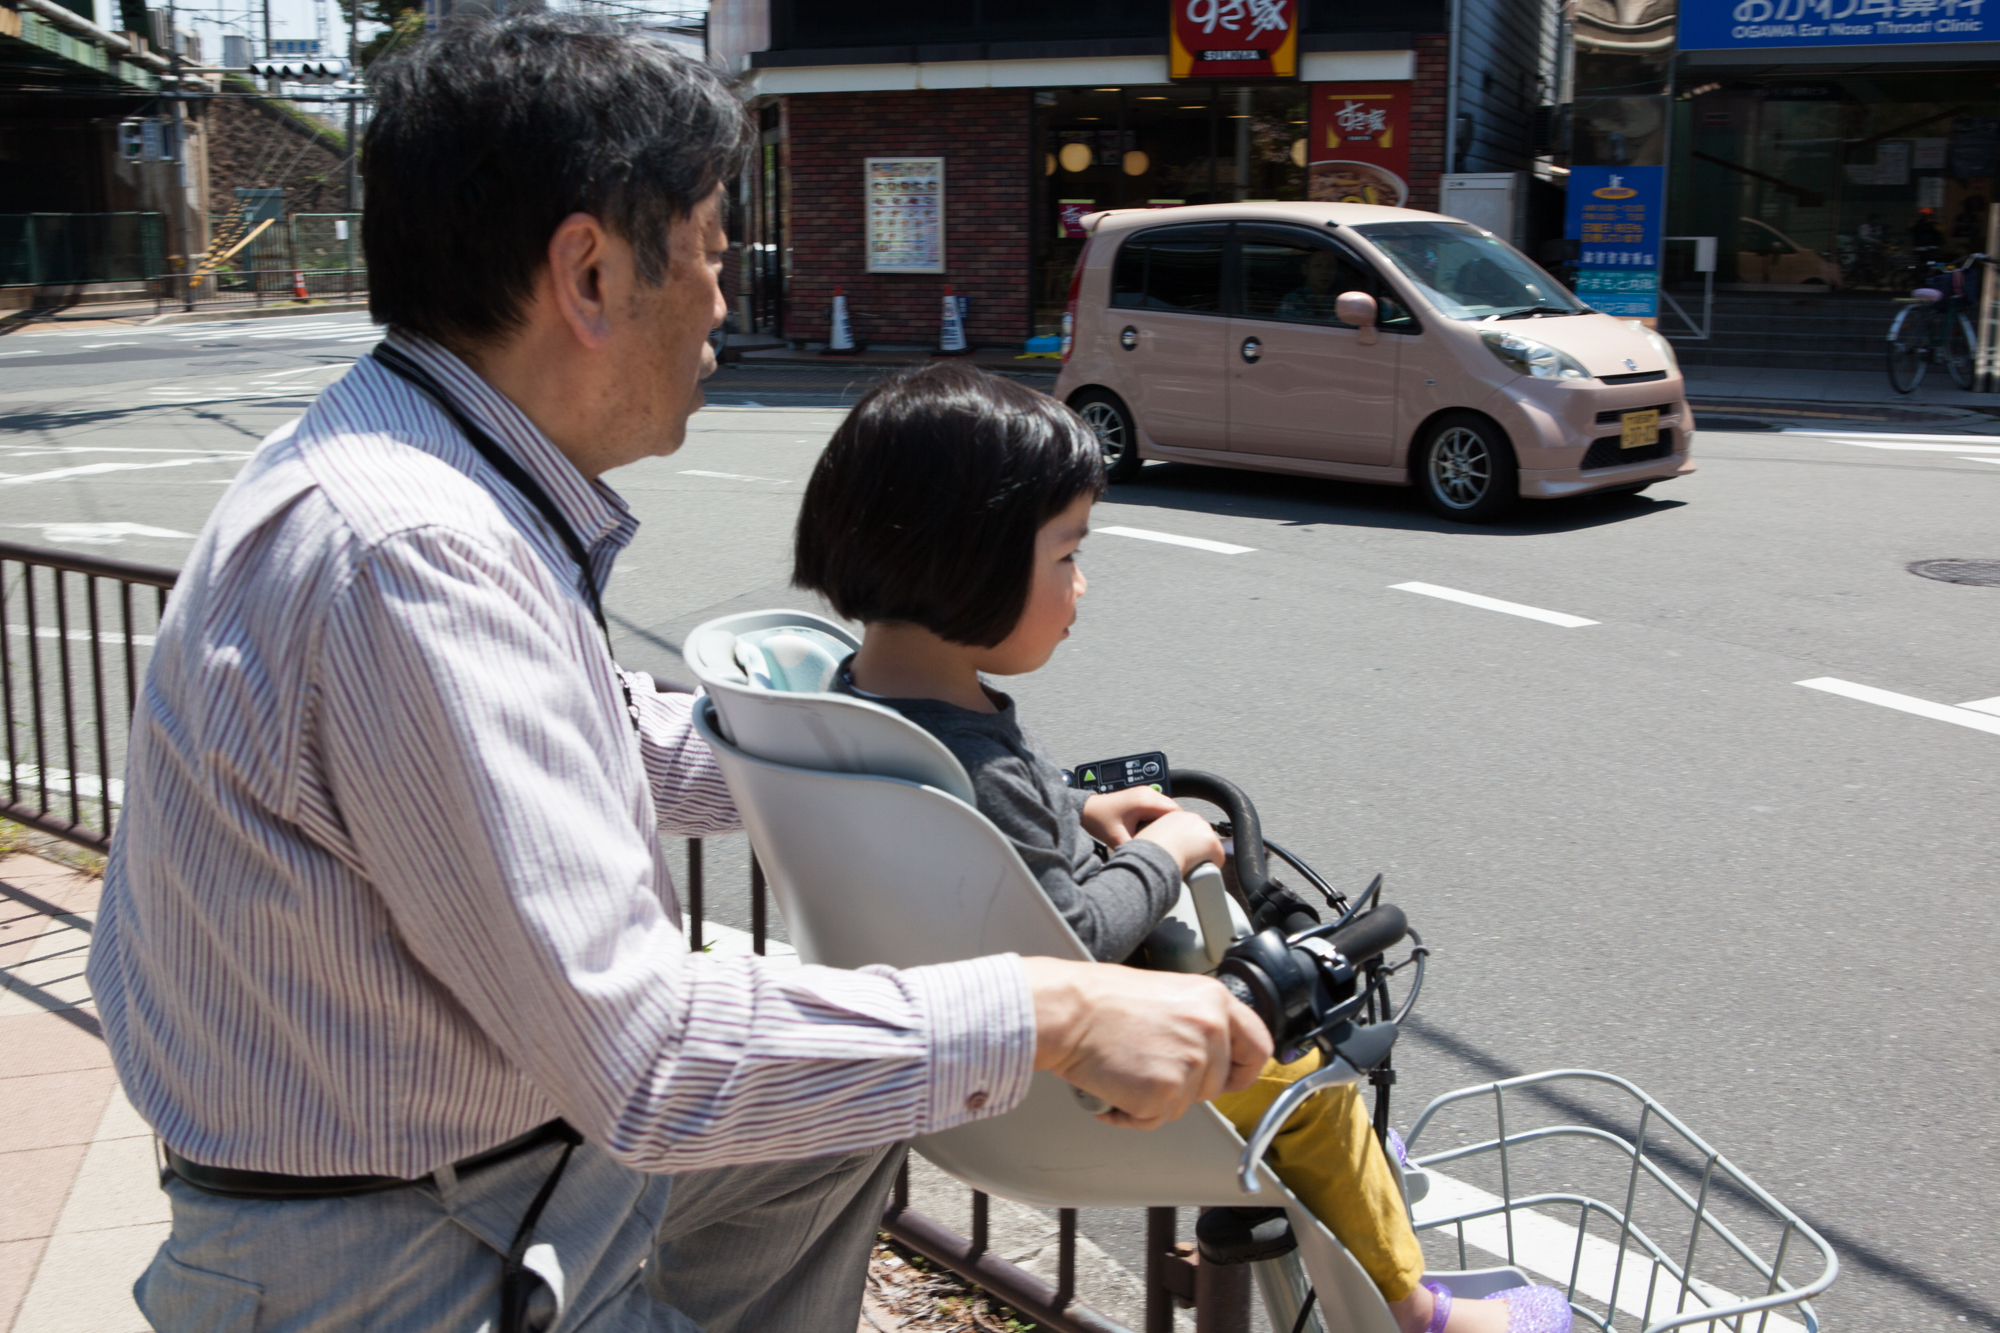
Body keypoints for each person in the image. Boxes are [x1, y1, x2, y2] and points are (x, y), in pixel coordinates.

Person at [85, 19, 1270, 1333]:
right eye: (708, 253)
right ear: (588, 273)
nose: (723, 299)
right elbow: (644, 1057)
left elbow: (604, 734)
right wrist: (1057, 1003)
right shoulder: (415, 554)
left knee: (848, 1114)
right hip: (406, 1264)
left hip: (452, 1185)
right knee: (874, 1074)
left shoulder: (396, 462)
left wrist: (947, 774)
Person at [791, 363, 1574, 1333]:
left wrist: (1078, 810)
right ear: (970, 558)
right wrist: (1168, 848)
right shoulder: (974, 753)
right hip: (1070, 1087)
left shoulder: (858, 703)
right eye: (1065, 553)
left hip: (957, 1063)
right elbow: (1071, 935)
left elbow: (971, 825)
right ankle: (1421, 1315)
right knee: (1314, 1093)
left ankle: (1352, 1179)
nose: (1083, 581)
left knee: (1273, 1044)